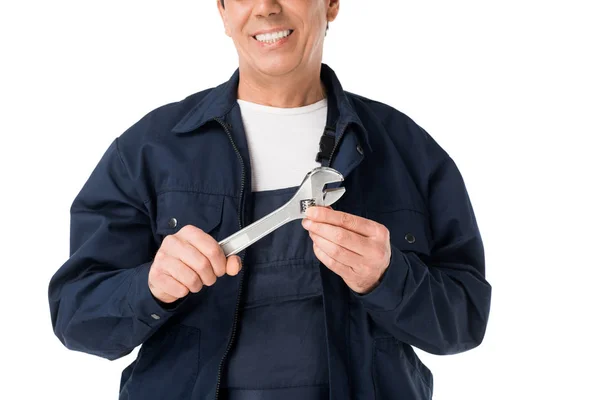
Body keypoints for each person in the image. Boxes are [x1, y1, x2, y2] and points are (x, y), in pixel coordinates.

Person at [48, 1, 492, 399]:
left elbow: (465, 321)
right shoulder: (149, 150)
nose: (266, 7)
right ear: (222, 12)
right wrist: (150, 287)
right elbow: (76, 317)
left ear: (332, 5)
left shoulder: (408, 152)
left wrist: (388, 277)